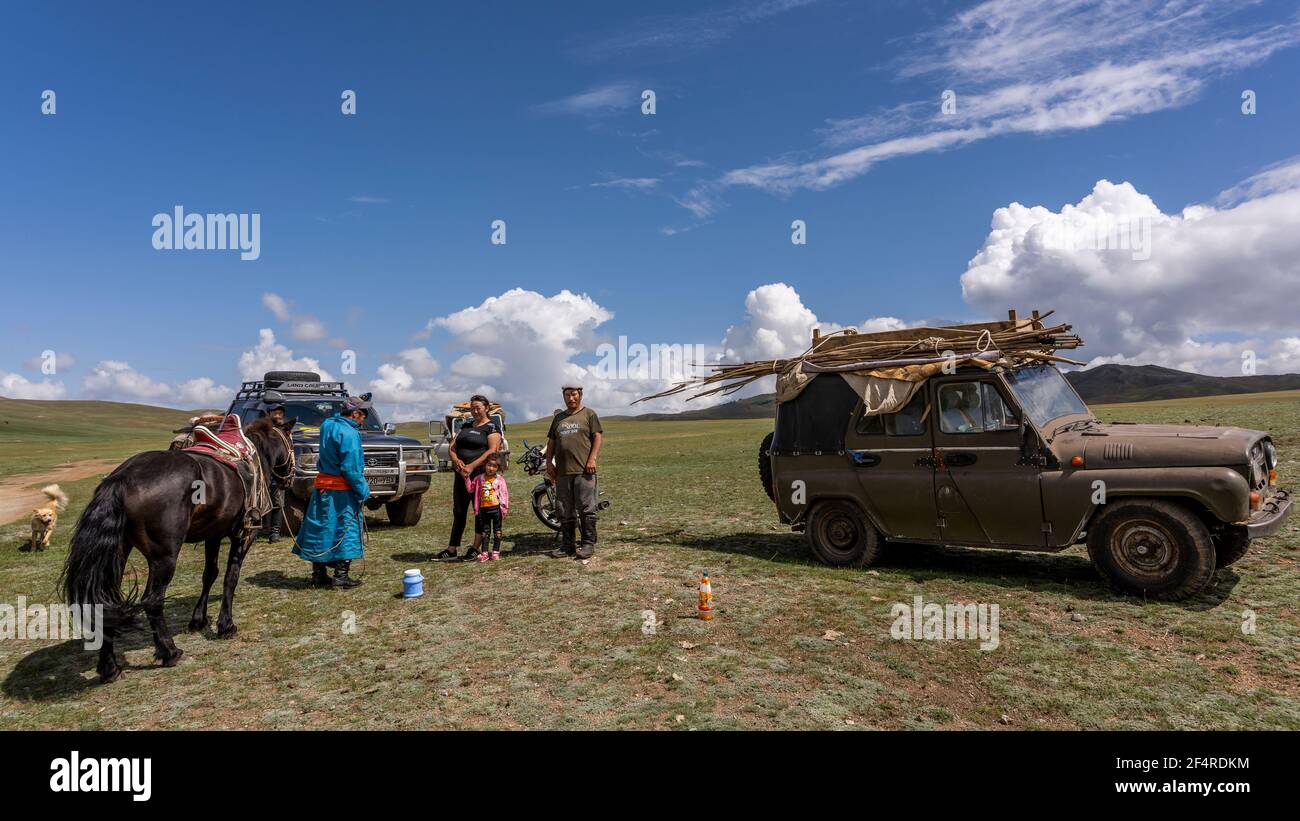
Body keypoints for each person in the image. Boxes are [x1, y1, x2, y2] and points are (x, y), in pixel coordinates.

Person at [293, 395, 371, 588]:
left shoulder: (328, 426)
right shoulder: (350, 434)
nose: (364, 420)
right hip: (342, 490)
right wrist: (363, 490)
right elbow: (350, 468)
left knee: (321, 528)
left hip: (323, 487)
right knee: (346, 529)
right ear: (354, 414)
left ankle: (318, 574)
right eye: (363, 415)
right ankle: (340, 576)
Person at [436, 395, 502, 560]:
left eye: (478, 407)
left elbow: (492, 450)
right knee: (459, 511)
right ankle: (452, 549)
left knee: (480, 511)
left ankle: (475, 548)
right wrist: (456, 460)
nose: (475, 410)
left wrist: (472, 466)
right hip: (461, 475)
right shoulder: (465, 425)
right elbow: (453, 447)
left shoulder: (492, 427)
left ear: (486, 408)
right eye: (472, 408)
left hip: (480, 476)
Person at [546, 382, 603, 559]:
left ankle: (588, 544)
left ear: (580, 395)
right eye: (567, 395)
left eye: (574, 394)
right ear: (563, 397)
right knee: (564, 509)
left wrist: (592, 458)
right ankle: (567, 545)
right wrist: (549, 462)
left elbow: (597, 437)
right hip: (563, 471)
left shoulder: (589, 414)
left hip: (584, 469)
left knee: (586, 508)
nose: (571, 398)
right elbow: (552, 442)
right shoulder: (558, 418)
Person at [256, 390, 288, 543]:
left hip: (277, 473)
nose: (279, 415)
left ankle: (274, 533)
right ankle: (254, 532)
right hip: (260, 471)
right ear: (268, 413)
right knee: (257, 502)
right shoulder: (259, 430)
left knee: (277, 503)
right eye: (275, 412)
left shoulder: (284, 432)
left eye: (280, 412)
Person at [466, 454, 509, 561]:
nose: (491, 468)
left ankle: (495, 552)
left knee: (497, 531)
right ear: (485, 464)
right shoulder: (478, 479)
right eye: (489, 465)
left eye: (494, 466)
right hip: (483, 510)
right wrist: (466, 477)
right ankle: (485, 553)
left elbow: (504, 494)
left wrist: (504, 509)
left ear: (498, 468)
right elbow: (471, 489)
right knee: (485, 532)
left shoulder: (500, 480)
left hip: (496, 510)